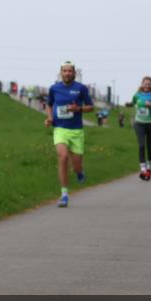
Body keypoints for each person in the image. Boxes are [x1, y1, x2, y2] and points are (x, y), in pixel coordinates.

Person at [45, 61, 93, 207]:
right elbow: (49, 104)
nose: (67, 73)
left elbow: (90, 107)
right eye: (64, 71)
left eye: (70, 71)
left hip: (76, 131)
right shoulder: (54, 88)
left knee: (77, 166)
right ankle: (64, 194)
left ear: (74, 73)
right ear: (61, 72)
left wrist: (78, 109)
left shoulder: (81, 88)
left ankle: (79, 173)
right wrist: (49, 118)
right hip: (60, 129)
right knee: (63, 157)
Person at [128, 76, 151, 180]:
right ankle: (143, 168)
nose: (147, 85)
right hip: (140, 123)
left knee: (150, 145)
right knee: (141, 145)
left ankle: (149, 166)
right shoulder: (137, 95)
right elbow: (134, 104)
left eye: (149, 84)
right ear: (142, 84)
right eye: (145, 83)